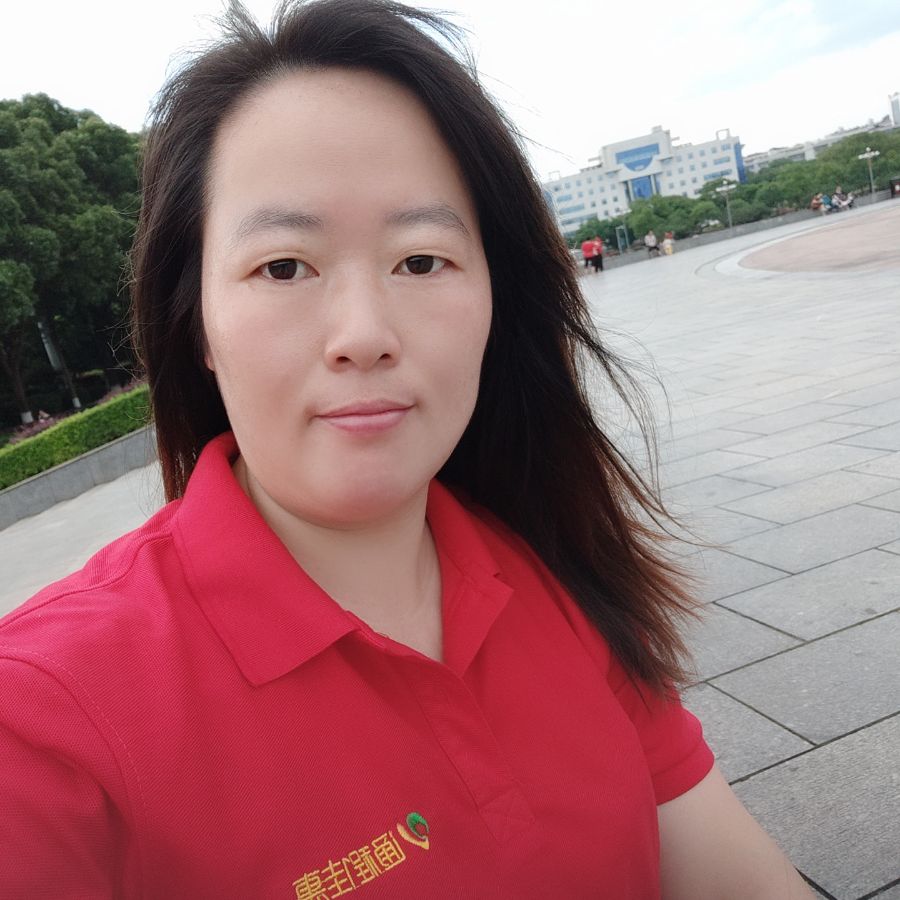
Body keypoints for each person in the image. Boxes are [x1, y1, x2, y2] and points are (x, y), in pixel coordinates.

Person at [0, 1, 814, 897]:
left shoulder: (554, 569)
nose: (364, 334)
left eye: (421, 260)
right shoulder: (44, 720)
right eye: (283, 267)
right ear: (196, 324)